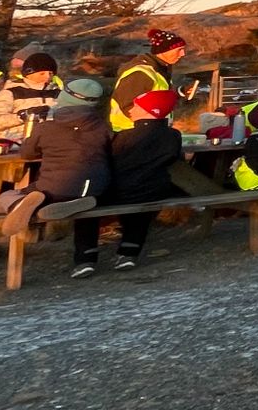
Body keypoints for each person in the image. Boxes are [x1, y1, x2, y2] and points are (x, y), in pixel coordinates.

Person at [79, 88, 210, 276]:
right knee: (142, 203)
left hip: (121, 191)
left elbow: (107, 160)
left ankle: (86, 258)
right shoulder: (173, 135)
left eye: (136, 107)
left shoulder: (124, 136)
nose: (130, 110)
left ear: (150, 111)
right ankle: (129, 252)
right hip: (156, 189)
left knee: (87, 205)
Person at [0, 77, 112, 226]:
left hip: (55, 188)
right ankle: (69, 203)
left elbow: (27, 154)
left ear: (64, 98)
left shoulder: (46, 128)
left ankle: (21, 204)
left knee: (6, 195)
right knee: (82, 189)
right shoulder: (105, 128)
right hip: (96, 189)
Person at [109, 29, 190, 132]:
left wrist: (180, 92)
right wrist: (155, 128)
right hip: (133, 133)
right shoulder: (140, 74)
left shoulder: (160, 69)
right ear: (164, 50)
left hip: (148, 131)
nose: (183, 54)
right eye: (179, 50)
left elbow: (156, 98)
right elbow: (129, 107)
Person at [0, 50, 59, 140]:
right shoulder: (10, 93)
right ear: (28, 73)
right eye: (42, 73)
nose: (47, 77)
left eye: (51, 73)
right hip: (15, 144)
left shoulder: (57, 94)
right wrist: (21, 116)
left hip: (48, 144)